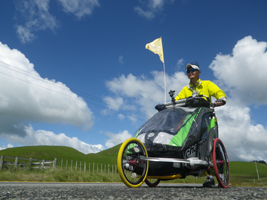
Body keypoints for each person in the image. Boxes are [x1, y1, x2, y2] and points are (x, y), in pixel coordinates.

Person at [175, 63, 227, 187]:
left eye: (193, 70)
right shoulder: (185, 89)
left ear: (199, 72)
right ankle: (208, 176)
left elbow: (219, 92)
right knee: (195, 147)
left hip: (207, 120)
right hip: (192, 123)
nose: (190, 72)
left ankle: (221, 174)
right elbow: (177, 101)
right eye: (188, 71)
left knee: (212, 146)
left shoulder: (207, 84)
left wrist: (221, 99)